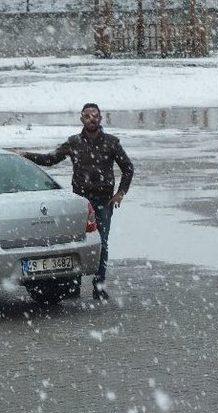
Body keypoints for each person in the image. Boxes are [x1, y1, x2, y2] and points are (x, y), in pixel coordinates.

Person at [17, 103, 134, 301]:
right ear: (81, 119)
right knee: (77, 244)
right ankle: (74, 287)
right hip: (80, 201)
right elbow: (50, 159)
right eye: (87, 116)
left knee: (101, 244)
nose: (91, 119)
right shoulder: (74, 142)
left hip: (104, 201)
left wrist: (120, 193)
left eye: (95, 115)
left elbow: (128, 168)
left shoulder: (111, 143)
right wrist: (26, 156)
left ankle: (99, 286)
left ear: (100, 118)